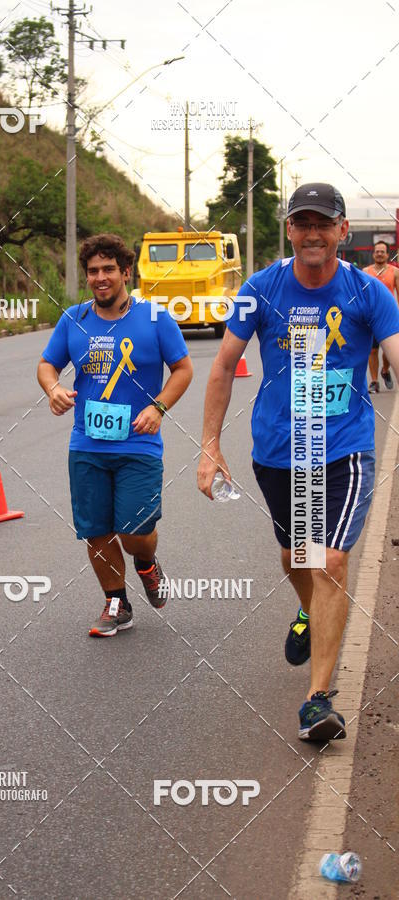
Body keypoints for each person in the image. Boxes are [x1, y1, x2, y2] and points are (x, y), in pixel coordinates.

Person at [197, 183, 399, 741]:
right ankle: (309, 613)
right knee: (295, 556)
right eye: (301, 222)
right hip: (279, 451)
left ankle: (318, 698)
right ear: (290, 230)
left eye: (323, 222)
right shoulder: (261, 289)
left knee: (330, 560)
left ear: (341, 232)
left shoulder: (368, 293)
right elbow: (222, 368)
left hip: (343, 449)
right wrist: (211, 446)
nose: (312, 232)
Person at [37, 233, 193, 636]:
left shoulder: (155, 318)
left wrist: (157, 407)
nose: (100, 277)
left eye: (109, 270)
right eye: (93, 271)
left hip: (138, 444)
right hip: (87, 444)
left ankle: (146, 563)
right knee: (97, 528)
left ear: (126, 273)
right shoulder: (74, 319)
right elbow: (47, 364)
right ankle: (116, 601)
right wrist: (53, 388)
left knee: (134, 531)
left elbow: (183, 369)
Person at [363, 240, 399, 392]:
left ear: (387, 254)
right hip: (370, 317)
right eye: (377, 251)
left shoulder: (394, 272)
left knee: (388, 351)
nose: (379, 254)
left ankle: (385, 370)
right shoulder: (365, 272)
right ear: (373, 254)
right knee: (372, 350)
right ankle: (375, 382)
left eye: (382, 251)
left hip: (388, 317)